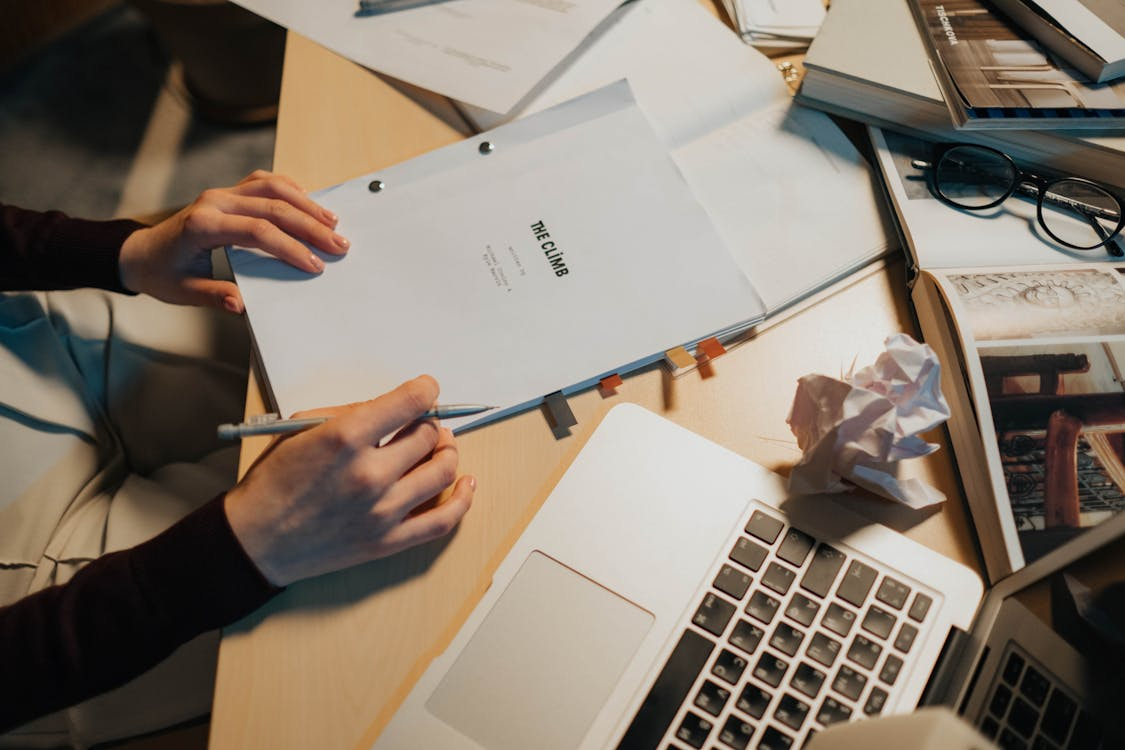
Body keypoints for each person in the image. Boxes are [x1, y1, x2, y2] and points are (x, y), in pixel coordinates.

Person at [0, 171, 475, 745]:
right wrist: (245, 547)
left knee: (336, 335)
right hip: (40, 596)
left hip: (26, 336)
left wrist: (126, 252)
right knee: (410, 607)